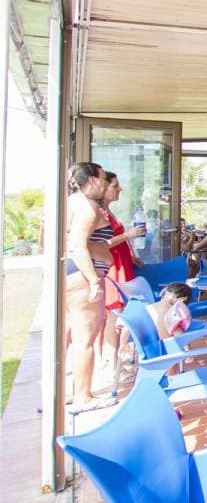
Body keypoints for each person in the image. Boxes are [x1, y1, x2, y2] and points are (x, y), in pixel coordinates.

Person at [64, 161, 114, 410]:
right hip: (83, 277)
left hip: (70, 275)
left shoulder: (69, 203)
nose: (104, 184)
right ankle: (83, 396)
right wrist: (93, 280)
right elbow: (76, 245)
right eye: (103, 179)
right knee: (85, 338)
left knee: (69, 335)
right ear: (92, 180)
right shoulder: (87, 207)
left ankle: (62, 390)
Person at [97, 171, 146, 374]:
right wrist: (128, 235)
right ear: (104, 188)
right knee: (114, 314)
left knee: (118, 313)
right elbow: (101, 244)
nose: (119, 189)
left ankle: (114, 361)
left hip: (123, 264)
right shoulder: (98, 213)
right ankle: (112, 364)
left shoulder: (107, 212)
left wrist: (131, 256)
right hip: (113, 267)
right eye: (115, 186)